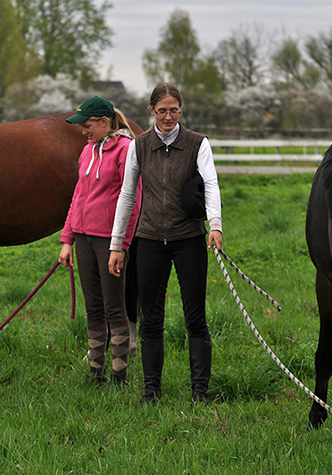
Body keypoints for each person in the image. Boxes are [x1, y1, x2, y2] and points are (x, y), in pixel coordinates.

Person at [108, 83, 223, 403]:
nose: (168, 116)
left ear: (180, 110)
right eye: (162, 111)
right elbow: (127, 194)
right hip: (148, 241)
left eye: (174, 110)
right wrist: (117, 244)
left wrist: (215, 225)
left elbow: (211, 184)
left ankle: (200, 391)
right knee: (151, 319)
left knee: (195, 318)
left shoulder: (198, 143)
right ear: (151, 111)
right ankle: (151, 390)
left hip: (189, 240)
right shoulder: (139, 146)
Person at [59, 96, 141, 386]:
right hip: (83, 238)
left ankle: (120, 376)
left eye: (88, 125)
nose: (84, 131)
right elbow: (78, 196)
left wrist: (120, 245)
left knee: (114, 308)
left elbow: (132, 201)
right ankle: (96, 372)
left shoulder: (126, 150)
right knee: (93, 308)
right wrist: (67, 239)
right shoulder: (87, 152)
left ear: (105, 123)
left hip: (109, 242)